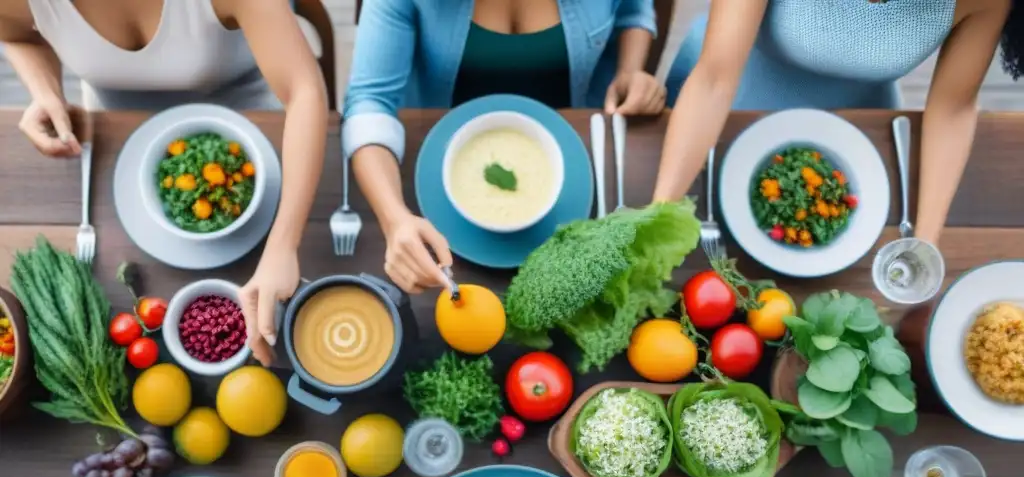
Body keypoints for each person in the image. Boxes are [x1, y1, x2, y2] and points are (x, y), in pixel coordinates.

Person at [0, 0, 329, 366]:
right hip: (118, 141)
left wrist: (284, 246)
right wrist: (46, 92)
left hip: (258, 128)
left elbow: (305, 91)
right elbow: (17, 36)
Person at [343, 0, 667, 295]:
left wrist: (630, 69)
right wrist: (394, 218)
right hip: (437, 165)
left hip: (579, 152)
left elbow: (633, 10)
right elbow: (369, 103)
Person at [652, 0, 1023, 247]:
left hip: (862, 126)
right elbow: (715, 78)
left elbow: (953, 108)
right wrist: (658, 218)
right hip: (732, 102)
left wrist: (922, 245)